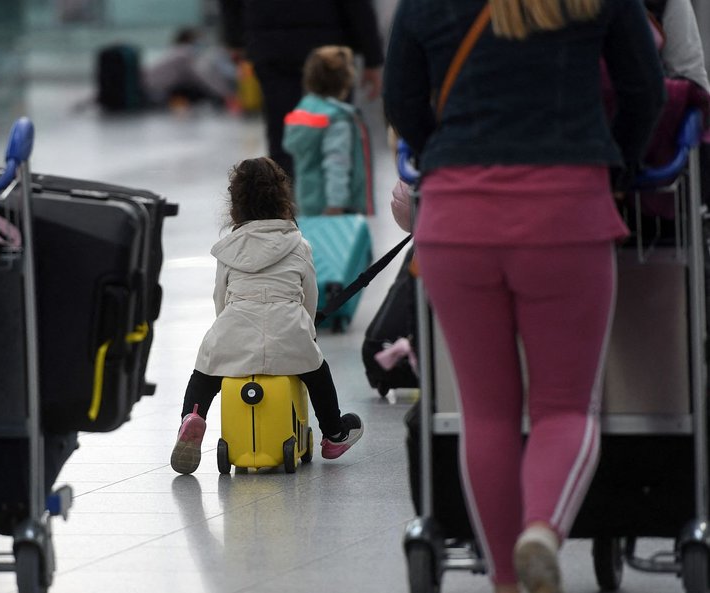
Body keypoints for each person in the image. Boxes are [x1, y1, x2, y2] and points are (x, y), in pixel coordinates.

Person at [383, 0, 665, 591]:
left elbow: (403, 105)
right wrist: (615, 168)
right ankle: (542, 528)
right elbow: (645, 92)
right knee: (564, 407)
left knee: (486, 415)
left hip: (455, 223)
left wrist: (453, 157)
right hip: (565, 212)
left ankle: (507, 579)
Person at [170, 157, 364, 475]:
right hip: (289, 330)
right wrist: (306, 331)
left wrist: (226, 325)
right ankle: (334, 433)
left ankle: (192, 418)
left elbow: (220, 297)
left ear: (235, 205)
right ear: (282, 198)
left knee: (204, 375)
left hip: (234, 328)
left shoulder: (227, 248)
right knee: (317, 372)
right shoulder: (298, 244)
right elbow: (309, 296)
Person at [218, 0, 384, 178]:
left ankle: (285, 198)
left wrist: (235, 39)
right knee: (334, 132)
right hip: (327, 45)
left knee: (282, 135)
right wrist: (372, 56)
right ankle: (335, 198)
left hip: (271, 42)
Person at [282, 45, 373, 217]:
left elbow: (291, 146)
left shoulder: (303, 110)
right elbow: (336, 162)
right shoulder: (337, 118)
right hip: (335, 207)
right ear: (346, 80)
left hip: (307, 200)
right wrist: (336, 204)